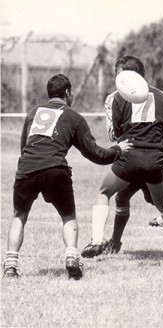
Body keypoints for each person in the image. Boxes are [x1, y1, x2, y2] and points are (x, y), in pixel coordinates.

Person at [2, 74, 131, 279]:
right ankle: (71, 256)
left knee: (19, 216)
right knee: (68, 216)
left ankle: (10, 264)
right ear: (68, 93)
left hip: (26, 167)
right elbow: (95, 154)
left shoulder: (33, 112)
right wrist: (117, 149)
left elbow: (24, 148)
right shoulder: (73, 117)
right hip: (55, 168)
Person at [81, 55, 163, 259]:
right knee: (162, 205)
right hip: (155, 159)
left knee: (104, 192)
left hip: (129, 157)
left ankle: (96, 241)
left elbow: (114, 135)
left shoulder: (115, 97)